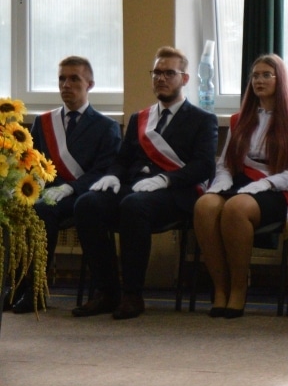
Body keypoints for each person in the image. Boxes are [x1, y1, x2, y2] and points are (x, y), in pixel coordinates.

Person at [72, 46, 218, 320]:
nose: (161, 78)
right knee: (87, 203)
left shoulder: (202, 119)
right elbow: (123, 159)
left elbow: (204, 166)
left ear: (185, 79)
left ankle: (132, 294)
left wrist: (166, 179)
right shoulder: (140, 119)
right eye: (156, 73)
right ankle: (106, 291)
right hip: (135, 189)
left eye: (169, 73)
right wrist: (113, 175)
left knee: (133, 206)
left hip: (177, 193)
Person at [194, 54, 288, 319]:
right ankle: (220, 287)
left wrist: (267, 183)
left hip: (279, 188)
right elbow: (225, 162)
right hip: (240, 183)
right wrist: (222, 182)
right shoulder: (241, 119)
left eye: (266, 75)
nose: (259, 80)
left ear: (279, 79)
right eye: (255, 76)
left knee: (236, 208)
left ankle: (239, 289)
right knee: (205, 206)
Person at [7, 57, 122, 314]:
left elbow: (105, 170)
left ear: (89, 84)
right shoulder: (43, 122)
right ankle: (20, 288)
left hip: (81, 195)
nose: (66, 85)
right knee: (22, 207)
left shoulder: (107, 127)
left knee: (46, 210)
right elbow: (33, 163)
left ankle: (38, 289)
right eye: (62, 79)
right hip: (47, 194)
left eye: (74, 79)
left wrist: (72, 187)